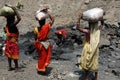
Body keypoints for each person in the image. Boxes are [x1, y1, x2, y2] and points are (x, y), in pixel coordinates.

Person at [77, 13, 104, 80]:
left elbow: (78, 28)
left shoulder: (88, 31)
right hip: (95, 48)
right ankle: (96, 77)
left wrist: (79, 18)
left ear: (90, 24)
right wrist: (101, 18)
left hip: (88, 47)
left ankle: (86, 77)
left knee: (87, 61)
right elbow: (102, 24)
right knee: (95, 61)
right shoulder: (98, 30)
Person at [34, 6, 54, 74]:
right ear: (45, 20)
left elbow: (35, 38)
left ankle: (41, 67)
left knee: (41, 56)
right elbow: (53, 20)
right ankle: (43, 69)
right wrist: (47, 13)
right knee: (45, 57)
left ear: (38, 22)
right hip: (46, 44)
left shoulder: (36, 29)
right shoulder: (47, 26)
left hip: (39, 44)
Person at [4, 5, 21, 72]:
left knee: (9, 54)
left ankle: (10, 67)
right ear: (12, 19)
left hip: (8, 42)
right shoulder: (12, 25)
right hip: (13, 42)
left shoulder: (7, 25)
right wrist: (15, 10)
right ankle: (16, 67)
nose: (14, 19)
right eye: (13, 18)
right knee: (15, 54)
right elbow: (19, 18)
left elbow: (6, 32)